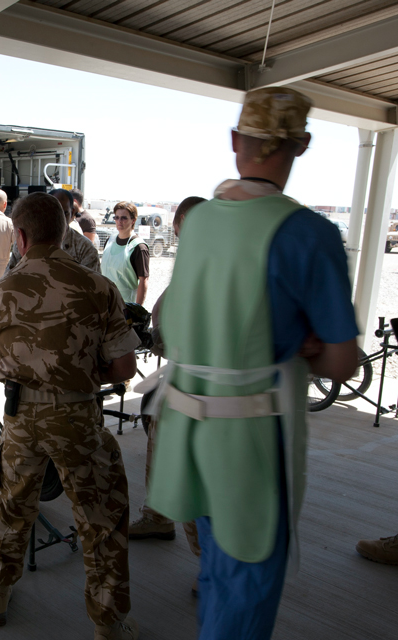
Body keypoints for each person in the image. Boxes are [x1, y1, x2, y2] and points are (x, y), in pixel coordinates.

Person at [146, 87, 359, 640]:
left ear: (236, 142)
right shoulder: (312, 234)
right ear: (302, 145)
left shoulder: (198, 224)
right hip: (254, 447)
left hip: (189, 433)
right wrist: (308, 346)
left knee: (217, 572)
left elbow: (178, 320)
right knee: (244, 594)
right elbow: (343, 363)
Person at [0, 192, 142, 640]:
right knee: (102, 515)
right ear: (64, 232)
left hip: (20, 417)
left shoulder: (2, 290)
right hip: (76, 417)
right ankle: (107, 622)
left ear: (22, 235)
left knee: (12, 505)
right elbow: (125, 367)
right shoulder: (97, 287)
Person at [127, 197, 206, 592]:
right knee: (160, 445)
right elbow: (163, 307)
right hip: (180, 382)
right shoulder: (194, 265)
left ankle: (211, 566)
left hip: (201, 390)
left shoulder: (212, 267)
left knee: (188, 473)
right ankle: (158, 515)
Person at [4, 188, 100, 274]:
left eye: (64, 213)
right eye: (53, 213)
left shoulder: (84, 249)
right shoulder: (24, 241)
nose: (59, 218)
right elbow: (9, 276)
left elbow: (94, 287)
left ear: (73, 212)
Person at [101, 202, 150, 306]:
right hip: (105, 304)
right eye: (116, 217)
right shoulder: (109, 241)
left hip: (125, 308)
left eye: (124, 218)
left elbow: (143, 281)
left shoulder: (139, 247)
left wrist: (137, 310)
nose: (119, 221)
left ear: (133, 220)